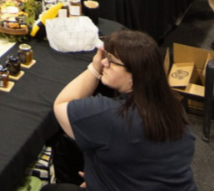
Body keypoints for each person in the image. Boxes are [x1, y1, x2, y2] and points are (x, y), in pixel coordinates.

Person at [48, 30, 197, 190]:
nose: (104, 62)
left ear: (134, 74)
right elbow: (145, 162)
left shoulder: (109, 114)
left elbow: (61, 104)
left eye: (111, 60)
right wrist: (101, 177)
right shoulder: (172, 107)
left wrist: (94, 68)